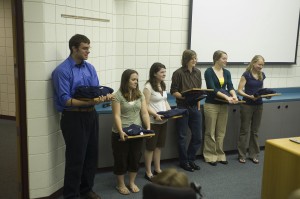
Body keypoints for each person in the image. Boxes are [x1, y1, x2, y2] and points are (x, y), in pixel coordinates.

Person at [52, 34, 112, 199]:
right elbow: (65, 100)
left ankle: (86, 190)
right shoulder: (62, 71)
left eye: (88, 48)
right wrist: (89, 101)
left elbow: (95, 91)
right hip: (73, 118)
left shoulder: (90, 68)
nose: (88, 51)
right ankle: (71, 195)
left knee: (91, 156)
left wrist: (102, 97)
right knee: (75, 159)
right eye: (85, 48)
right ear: (74, 48)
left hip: (91, 115)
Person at [111, 69, 151, 195]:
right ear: (126, 80)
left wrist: (148, 128)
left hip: (137, 131)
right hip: (121, 132)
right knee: (121, 159)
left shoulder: (140, 94)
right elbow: (116, 116)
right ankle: (120, 184)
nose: (136, 82)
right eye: (133, 79)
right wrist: (121, 131)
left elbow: (144, 113)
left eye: (137, 80)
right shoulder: (117, 96)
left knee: (135, 158)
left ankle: (132, 182)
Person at [203, 50, 238, 166]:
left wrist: (234, 96)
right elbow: (213, 89)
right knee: (210, 132)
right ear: (217, 59)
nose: (226, 61)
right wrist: (227, 98)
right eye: (224, 58)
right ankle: (210, 155)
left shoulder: (227, 72)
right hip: (211, 105)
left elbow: (231, 86)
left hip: (223, 105)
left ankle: (220, 155)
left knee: (221, 132)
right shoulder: (208, 71)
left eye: (226, 59)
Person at [170, 49, 202, 172]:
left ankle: (191, 159)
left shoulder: (198, 72)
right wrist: (184, 97)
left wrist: (198, 105)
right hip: (182, 107)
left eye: (196, 58)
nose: (195, 60)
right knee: (182, 137)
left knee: (198, 136)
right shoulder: (178, 73)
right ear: (186, 60)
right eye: (192, 58)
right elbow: (174, 91)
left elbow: (198, 90)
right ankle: (184, 162)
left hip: (195, 107)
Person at [143, 62, 171, 181]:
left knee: (159, 146)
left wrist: (170, 111)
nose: (164, 74)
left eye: (165, 72)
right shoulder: (148, 87)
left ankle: (157, 169)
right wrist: (155, 114)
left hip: (163, 121)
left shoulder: (162, 85)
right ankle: (148, 171)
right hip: (153, 121)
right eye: (162, 72)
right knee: (150, 147)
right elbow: (144, 105)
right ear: (154, 73)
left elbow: (165, 101)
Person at [237, 55, 266, 164]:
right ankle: (242, 155)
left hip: (259, 105)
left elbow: (261, 89)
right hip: (247, 105)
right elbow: (239, 90)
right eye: (259, 64)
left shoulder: (262, 75)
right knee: (244, 130)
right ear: (253, 63)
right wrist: (249, 96)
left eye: (262, 65)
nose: (261, 66)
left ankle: (253, 154)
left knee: (255, 131)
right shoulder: (246, 75)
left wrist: (265, 95)